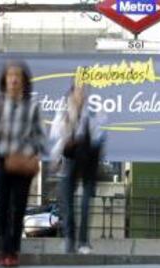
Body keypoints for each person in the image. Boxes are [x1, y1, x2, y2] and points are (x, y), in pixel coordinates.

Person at [0, 61, 46, 266]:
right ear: (5, 80)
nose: (14, 79)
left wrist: (30, 154)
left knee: (18, 208)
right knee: (1, 206)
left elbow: (40, 137)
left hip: (23, 164)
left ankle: (12, 252)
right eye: (10, 75)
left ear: (24, 81)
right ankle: (4, 250)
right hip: (0, 161)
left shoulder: (32, 106)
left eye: (18, 76)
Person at [50, 82, 105, 254]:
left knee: (86, 202)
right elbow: (57, 136)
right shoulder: (63, 113)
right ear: (71, 95)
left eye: (83, 93)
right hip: (69, 160)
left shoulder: (94, 113)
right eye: (78, 92)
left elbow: (98, 137)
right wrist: (70, 122)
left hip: (89, 161)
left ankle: (83, 241)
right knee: (67, 202)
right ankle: (69, 239)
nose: (80, 96)